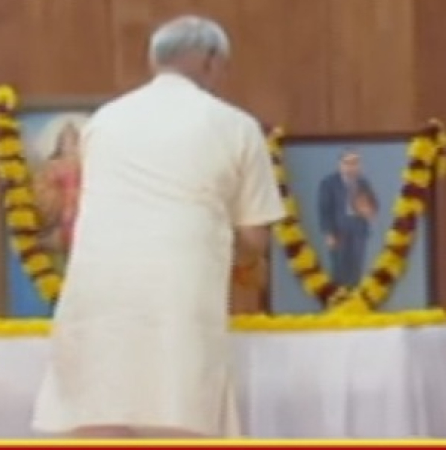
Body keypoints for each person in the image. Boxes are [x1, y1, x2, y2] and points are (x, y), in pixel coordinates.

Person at [32, 15, 285, 439]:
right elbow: (254, 239)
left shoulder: (103, 121)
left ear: (155, 61)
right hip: (178, 299)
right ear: (210, 61)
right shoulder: (235, 125)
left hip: (96, 300)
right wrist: (230, 248)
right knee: (177, 417)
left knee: (98, 415)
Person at [317, 150, 378, 287]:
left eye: (355, 162)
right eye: (347, 162)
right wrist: (328, 233)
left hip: (359, 231)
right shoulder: (328, 183)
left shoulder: (364, 183)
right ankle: (339, 297)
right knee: (339, 269)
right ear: (340, 164)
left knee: (356, 269)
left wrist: (368, 211)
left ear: (359, 165)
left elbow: (374, 205)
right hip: (338, 232)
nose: (351, 166)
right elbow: (324, 210)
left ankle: (355, 297)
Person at [33, 116, 88, 263]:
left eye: (75, 140)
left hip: (86, 220)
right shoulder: (52, 166)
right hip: (61, 219)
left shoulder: (92, 166)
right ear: (59, 143)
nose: (71, 145)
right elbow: (41, 194)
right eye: (67, 140)